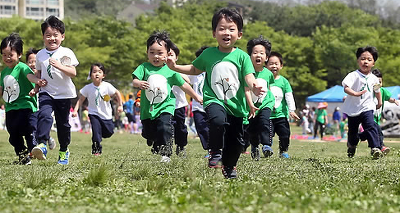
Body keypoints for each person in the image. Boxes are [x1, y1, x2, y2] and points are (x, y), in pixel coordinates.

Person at [166, 8, 264, 179]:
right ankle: (214, 152)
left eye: (231, 29)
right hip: (214, 99)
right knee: (217, 120)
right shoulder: (209, 54)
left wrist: (254, 85)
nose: (226, 32)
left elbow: (248, 76)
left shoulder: (242, 57)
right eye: (221, 28)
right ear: (214, 33)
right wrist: (175, 67)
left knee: (236, 142)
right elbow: (195, 68)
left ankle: (229, 166)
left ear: (239, 34)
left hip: (236, 105)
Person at [132, 30, 202, 163]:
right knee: (149, 133)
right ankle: (153, 140)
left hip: (166, 106)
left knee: (165, 127)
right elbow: (134, 81)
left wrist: (196, 97)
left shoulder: (171, 71)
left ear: (167, 54)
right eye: (152, 52)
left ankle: (166, 154)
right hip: (149, 109)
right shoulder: (144, 67)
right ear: (147, 53)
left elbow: (184, 85)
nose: (156, 56)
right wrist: (139, 83)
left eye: (160, 53)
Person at [31, 15, 79, 165]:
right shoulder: (40, 55)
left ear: (62, 37)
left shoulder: (66, 53)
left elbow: (73, 73)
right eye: (48, 35)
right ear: (43, 37)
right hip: (47, 92)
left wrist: (59, 66)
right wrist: (37, 86)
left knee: (63, 124)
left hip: (64, 95)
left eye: (55, 35)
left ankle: (64, 150)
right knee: (44, 115)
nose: (52, 38)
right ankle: (42, 144)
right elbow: (38, 74)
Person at [0, 33, 46, 165]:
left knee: (29, 131)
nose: (7, 58)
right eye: (4, 55)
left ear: (19, 54)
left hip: (26, 106)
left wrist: (37, 81)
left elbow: (30, 77)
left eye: (10, 55)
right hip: (11, 108)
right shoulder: (3, 72)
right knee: (13, 136)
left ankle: (35, 150)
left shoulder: (22, 67)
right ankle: (23, 157)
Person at [72, 63, 123, 155]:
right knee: (96, 133)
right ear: (90, 75)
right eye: (94, 72)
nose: (97, 74)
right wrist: (75, 110)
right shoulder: (87, 88)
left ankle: (100, 134)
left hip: (106, 114)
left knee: (109, 132)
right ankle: (96, 150)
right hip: (93, 113)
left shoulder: (107, 86)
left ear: (103, 75)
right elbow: (81, 100)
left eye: (99, 72)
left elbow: (117, 93)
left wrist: (120, 105)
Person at [342, 46, 383, 159]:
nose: (365, 62)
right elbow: (346, 87)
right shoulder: (353, 75)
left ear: (373, 63)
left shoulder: (374, 78)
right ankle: (352, 145)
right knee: (353, 133)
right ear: (358, 61)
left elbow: (377, 90)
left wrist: (379, 102)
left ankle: (375, 148)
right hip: (353, 109)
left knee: (370, 126)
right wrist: (354, 93)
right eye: (363, 59)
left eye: (369, 59)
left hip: (367, 107)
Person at [244, 35, 275, 161]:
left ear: (266, 57)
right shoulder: (246, 73)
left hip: (265, 103)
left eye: (262, 53)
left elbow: (270, 88)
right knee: (252, 128)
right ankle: (254, 146)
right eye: (255, 52)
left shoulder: (268, 73)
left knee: (264, 122)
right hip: (251, 105)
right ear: (250, 56)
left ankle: (267, 145)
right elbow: (246, 90)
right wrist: (250, 105)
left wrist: (272, 102)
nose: (258, 55)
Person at [266, 51, 300, 158]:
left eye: (276, 64)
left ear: (281, 66)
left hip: (281, 115)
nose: (273, 66)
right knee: (267, 134)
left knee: (285, 134)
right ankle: (267, 148)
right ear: (266, 65)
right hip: (267, 115)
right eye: (271, 63)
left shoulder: (284, 82)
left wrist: (292, 110)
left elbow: (289, 96)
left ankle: (283, 151)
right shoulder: (263, 80)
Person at [359, 68, 399, 155]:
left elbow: (388, 98)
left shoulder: (383, 91)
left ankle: (359, 137)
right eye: (376, 82)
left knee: (370, 133)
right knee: (378, 132)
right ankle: (381, 147)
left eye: (380, 82)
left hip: (377, 118)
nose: (379, 84)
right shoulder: (368, 92)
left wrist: (394, 101)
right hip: (368, 117)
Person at [26, 48, 57, 150]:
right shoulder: (27, 76)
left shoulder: (44, 76)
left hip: (42, 106)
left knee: (40, 124)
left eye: (35, 61)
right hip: (31, 108)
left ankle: (40, 144)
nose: (33, 64)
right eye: (30, 62)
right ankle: (45, 139)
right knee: (33, 127)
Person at [187, 46, 209, 156]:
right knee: (201, 129)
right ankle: (210, 150)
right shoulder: (195, 73)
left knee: (215, 128)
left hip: (213, 105)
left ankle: (217, 149)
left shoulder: (214, 70)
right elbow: (184, 78)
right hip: (198, 107)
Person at [169, 43, 190, 157]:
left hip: (179, 105)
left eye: (171, 54)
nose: (168, 57)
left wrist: (174, 71)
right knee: (167, 127)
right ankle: (165, 147)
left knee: (180, 128)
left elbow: (188, 81)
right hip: (164, 106)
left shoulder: (179, 70)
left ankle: (181, 146)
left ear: (176, 57)